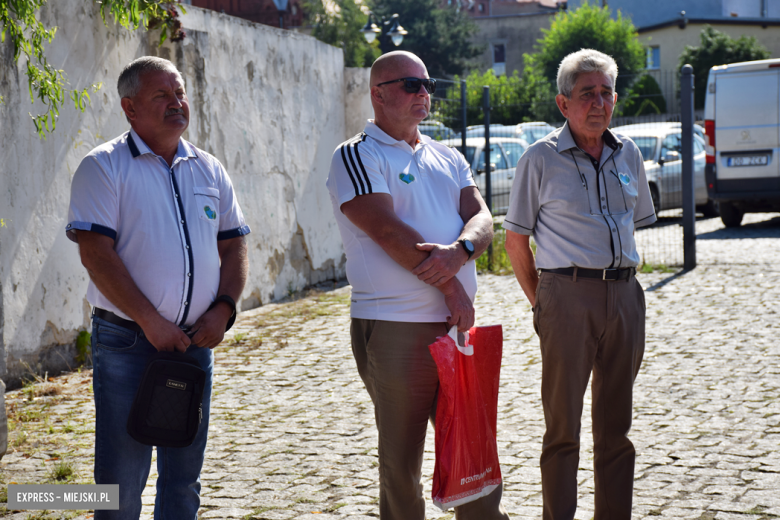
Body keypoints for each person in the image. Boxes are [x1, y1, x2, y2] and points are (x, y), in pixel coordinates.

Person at [325, 51, 509, 520]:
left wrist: (463, 250)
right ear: (378, 94)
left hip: (456, 329)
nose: (422, 92)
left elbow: (483, 217)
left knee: (472, 451)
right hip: (395, 326)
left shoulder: (447, 155)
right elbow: (386, 229)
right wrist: (451, 285)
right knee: (402, 465)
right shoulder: (356, 155)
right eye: (409, 84)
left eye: (426, 83)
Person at [65, 56, 250, 520]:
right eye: (161, 96)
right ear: (129, 108)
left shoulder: (210, 170)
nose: (176, 103)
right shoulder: (103, 167)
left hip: (195, 343)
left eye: (180, 93)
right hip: (129, 340)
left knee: (184, 479)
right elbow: (96, 256)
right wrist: (151, 322)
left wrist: (224, 309)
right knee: (121, 482)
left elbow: (234, 248)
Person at [504, 48, 656, 520]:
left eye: (607, 92)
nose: (599, 102)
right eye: (587, 93)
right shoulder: (539, 159)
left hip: (625, 296)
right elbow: (515, 241)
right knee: (563, 428)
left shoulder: (627, 152)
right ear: (562, 103)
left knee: (616, 428)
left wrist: (625, 291)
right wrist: (543, 303)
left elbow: (636, 222)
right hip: (565, 297)